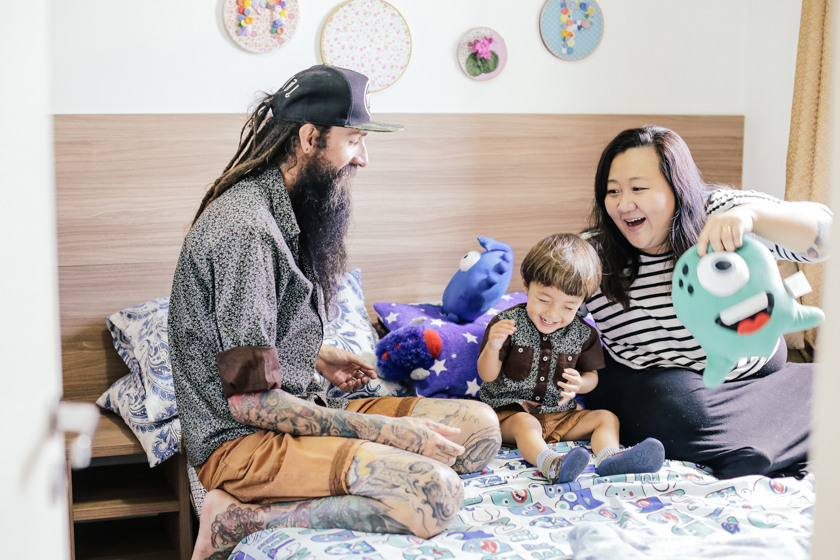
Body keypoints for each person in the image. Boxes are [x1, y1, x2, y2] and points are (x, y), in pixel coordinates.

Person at [168, 65, 502, 560]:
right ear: (310, 138)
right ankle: (239, 519)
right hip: (244, 441)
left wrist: (316, 354)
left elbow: (252, 337)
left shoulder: (289, 207)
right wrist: (392, 433)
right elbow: (250, 403)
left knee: (480, 430)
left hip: (306, 404)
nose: (363, 159)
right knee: (435, 494)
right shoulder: (246, 228)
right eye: (354, 140)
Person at [581, 124, 832, 479]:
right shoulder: (591, 253)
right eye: (612, 192)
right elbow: (547, 318)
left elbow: (825, 236)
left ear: (678, 189)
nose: (623, 204)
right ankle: (789, 433)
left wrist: (752, 216)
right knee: (666, 409)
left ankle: (758, 445)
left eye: (638, 188)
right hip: (676, 390)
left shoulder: (721, 212)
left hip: (759, 372)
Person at [477, 233, 666, 484]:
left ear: (582, 301)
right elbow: (487, 375)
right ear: (526, 285)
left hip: (560, 417)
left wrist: (580, 384)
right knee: (526, 424)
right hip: (509, 416)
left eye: (568, 307)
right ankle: (552, 465)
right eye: (544, 299)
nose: (553, 313)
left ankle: (610, 459)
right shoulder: (507, 324)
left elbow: (592, 377)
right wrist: (492, 346)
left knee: (607, 418)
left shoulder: (583, 334)